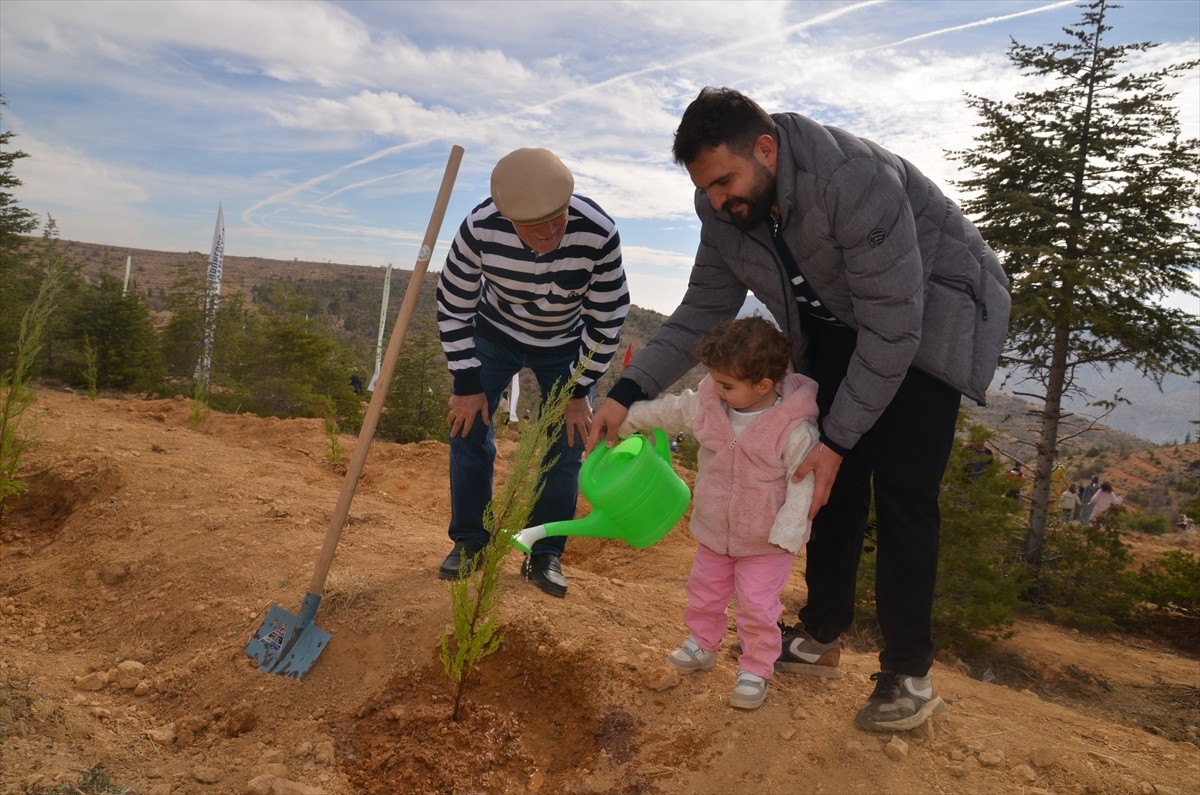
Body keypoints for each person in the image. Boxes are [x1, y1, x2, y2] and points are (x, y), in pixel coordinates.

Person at [587, 87, 1011, 732]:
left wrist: (838, 441)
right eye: (705, 189)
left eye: (725, 183)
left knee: (902, 488)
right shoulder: (720, 206)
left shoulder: (854, 180)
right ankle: (821, 634)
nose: (718, 201)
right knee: (821, 479)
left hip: (930, 317)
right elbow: (702, 309)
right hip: (840, 321)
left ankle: (908, 675)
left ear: (766, 149)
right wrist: (626, 392)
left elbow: (894, 327)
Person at [435, 147, 630, 597]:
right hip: (494, 334)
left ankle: (544, 552)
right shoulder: (479, 228)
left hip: (565, 344)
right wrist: (466, 383)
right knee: (467, 428)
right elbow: (454, 305)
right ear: (506, 217)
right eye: (532, 225)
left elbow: (606, 320)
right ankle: (470, 540)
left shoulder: (598, 233)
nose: (547, 232)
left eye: (556, 220)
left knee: (569, 442)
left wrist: (579, 390)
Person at [619, 316, 820, 710]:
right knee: (704, 593)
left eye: (727, 385)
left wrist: (789, 532)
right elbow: (671, 411)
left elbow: (803, 483)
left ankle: (756, 669)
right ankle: (702, 644)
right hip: (714, 531)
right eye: (715, 380)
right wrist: (628, 418)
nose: (716, 390)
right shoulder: (710, 402)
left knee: (757, 606)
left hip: (766, 541)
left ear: (763, 386)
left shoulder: (793, 429)